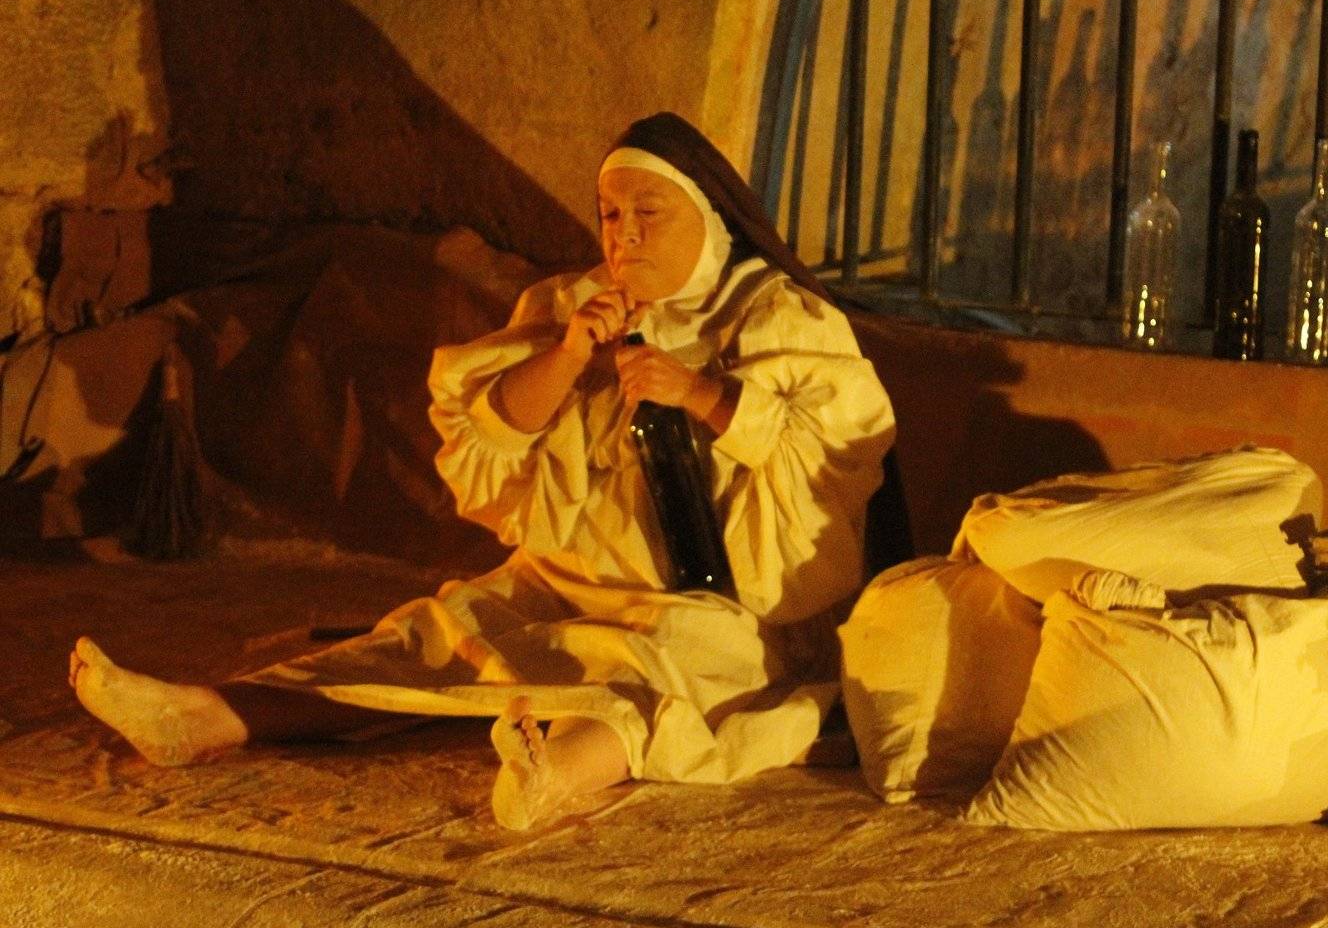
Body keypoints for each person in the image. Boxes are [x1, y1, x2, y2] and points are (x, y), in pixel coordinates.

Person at [69, 112, 897, 829]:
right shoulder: (573, 305)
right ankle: (214, 715)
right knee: (433, 635)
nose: (625, 237)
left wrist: (700, 393)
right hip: (569, 581)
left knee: (668, 671)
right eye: (611, 216)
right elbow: (487, 440)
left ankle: (556, 773)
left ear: (711, 219)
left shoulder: (781, 316)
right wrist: (569, 354)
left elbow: (837, 454)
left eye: (649, 215)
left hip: (721, 609)